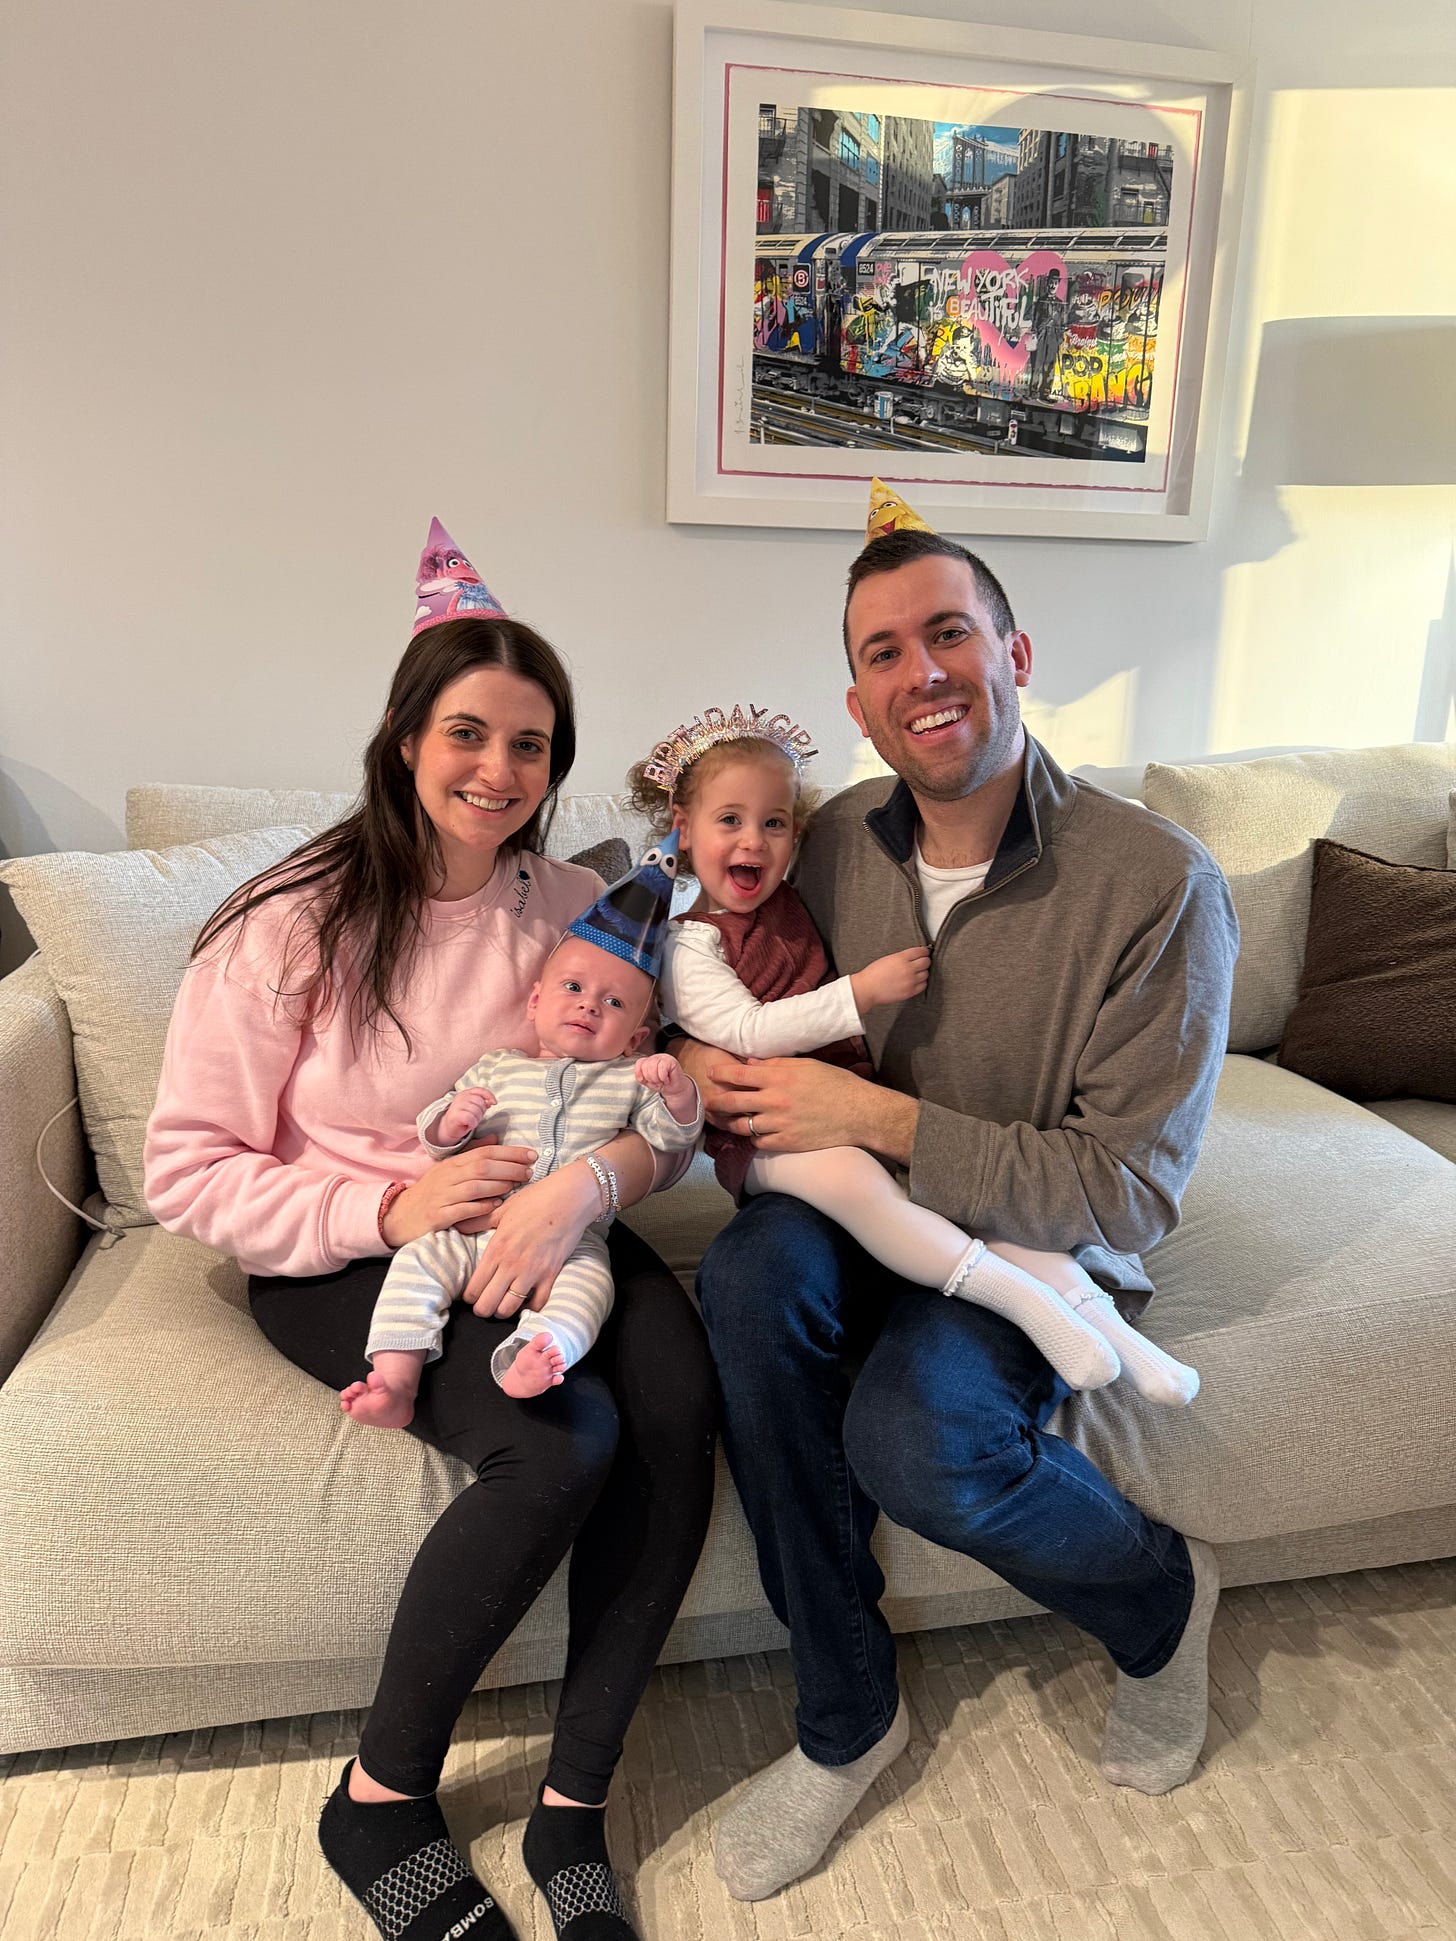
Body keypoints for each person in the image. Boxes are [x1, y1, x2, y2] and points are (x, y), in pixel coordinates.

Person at [144, 520, 716, 1941]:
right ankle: (381, 1795)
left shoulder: (585, 914)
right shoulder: (288, 923)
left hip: (551, 1223)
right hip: (343, 1245)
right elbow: (187, 1169)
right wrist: (383, 1204)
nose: (498, 772)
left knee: (677, 1395)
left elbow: (673, 1102)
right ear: (405, 739)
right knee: (559, 1441)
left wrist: (593, 1185)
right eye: (469, 733)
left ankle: (576, 1803)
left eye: (531, 747)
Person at [679, 481, 1239, 1903]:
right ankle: (847, 1717)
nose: (920, 672)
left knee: (915, 1436)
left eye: (948, 635)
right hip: (851, 1214)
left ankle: (1165, 1603)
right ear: (858, 704)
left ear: (1015, 654)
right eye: (883, 652)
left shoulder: (1157, 882)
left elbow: (1124, 1198)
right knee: (742, 1278)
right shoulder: (827, 842)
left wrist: (873, 1111)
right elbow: (690, 935)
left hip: (1032, 1245)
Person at [632, 710, 1199, 1402]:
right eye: (730, 820)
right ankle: (1022, 1300)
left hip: (844, 1103)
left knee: (956, 1193)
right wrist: (858, 994)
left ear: (797, 834)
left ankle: (1112, 1332)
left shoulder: (807, 886)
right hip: (768, 1138)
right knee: (862, 1193)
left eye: (774, 822)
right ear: (683, 829)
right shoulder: (690, 942)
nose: (753, 839)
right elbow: (746, 1030)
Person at [347, 846, 701, 1422]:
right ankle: (395, 1379)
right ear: (535, 1001)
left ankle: (536, 1355)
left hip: (575, 1237)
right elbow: (437, 1135)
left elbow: (669, 1139)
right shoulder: (497, 1066)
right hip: (471, 1222)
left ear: (635, 1037)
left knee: (590, 1290)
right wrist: (452, 1120)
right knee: (417, 1263)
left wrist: (679, 1093)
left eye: (613, 1003)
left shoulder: (629, 1077)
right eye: (573, 989)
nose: (589, 1006)